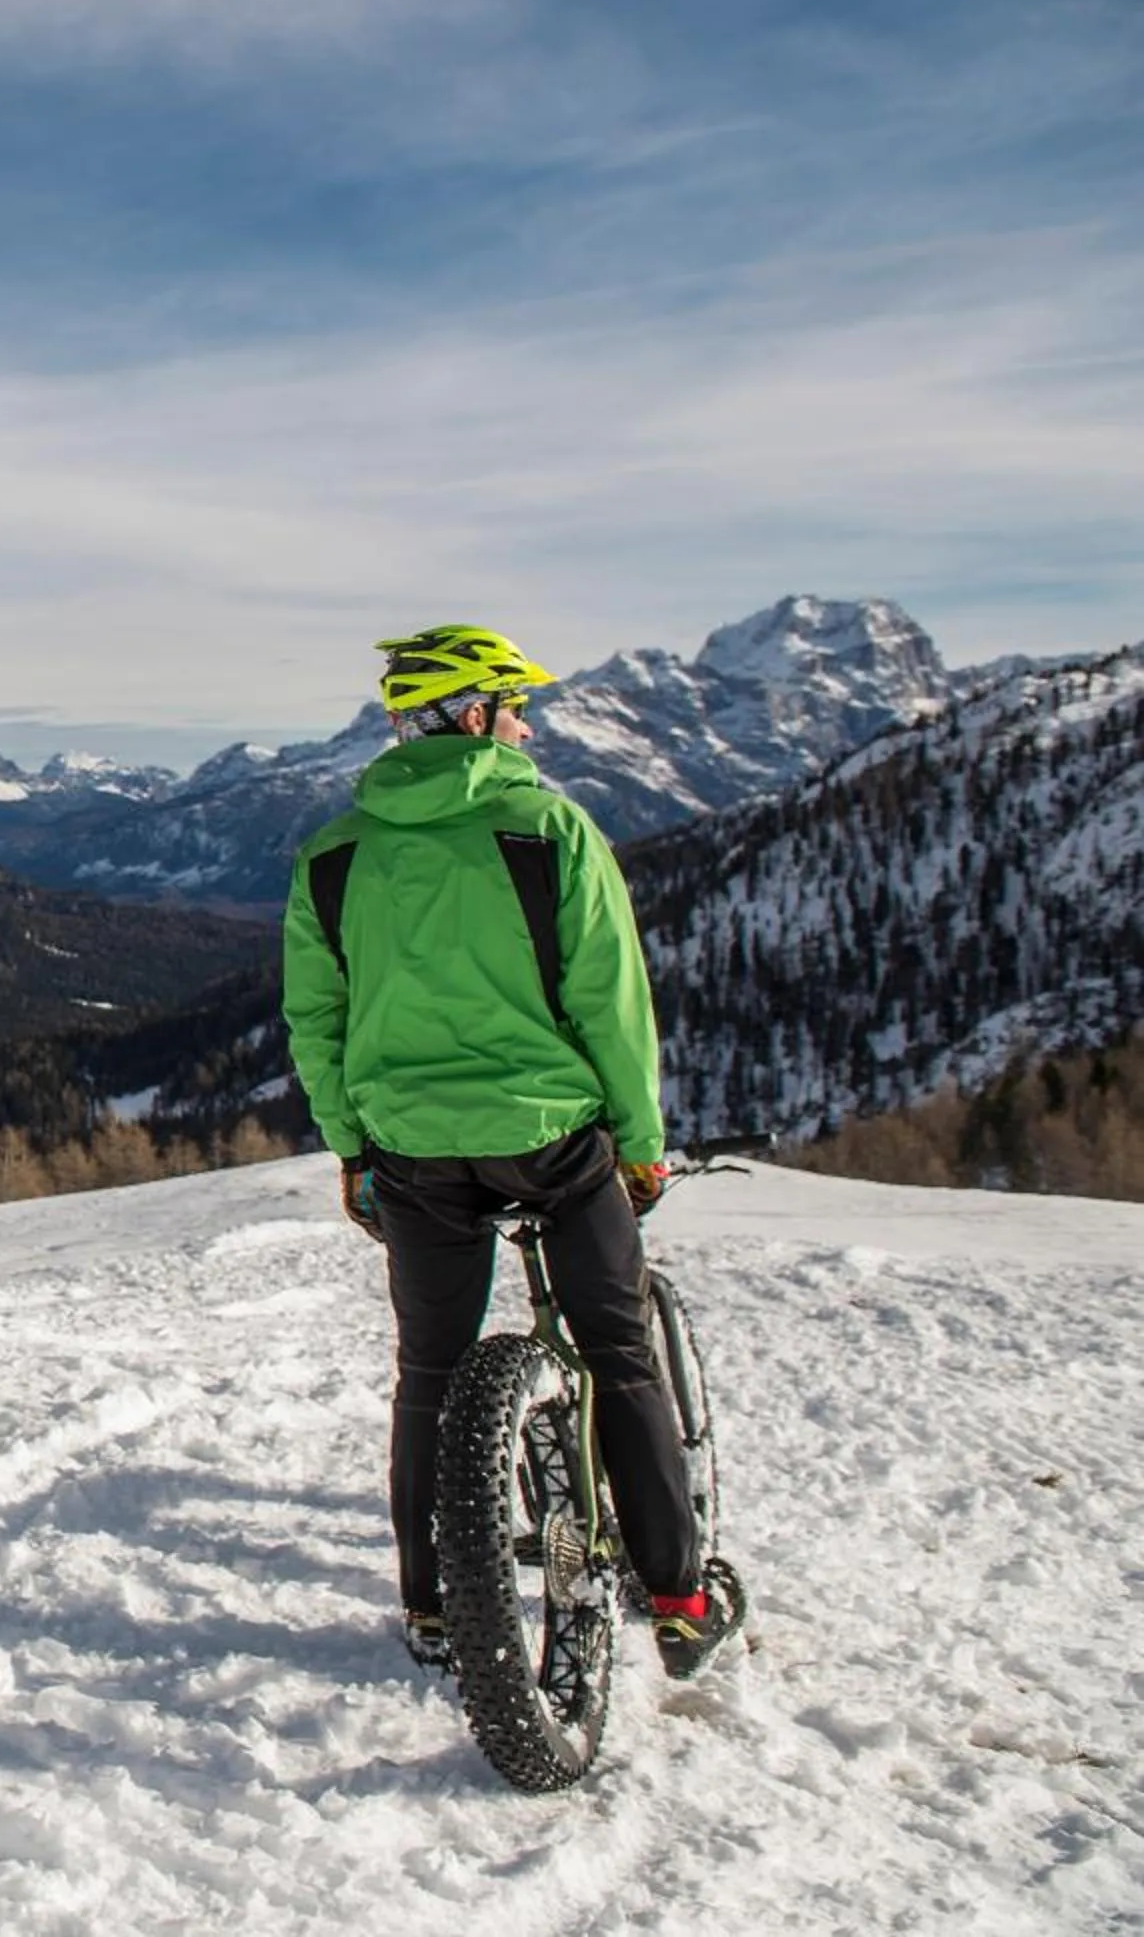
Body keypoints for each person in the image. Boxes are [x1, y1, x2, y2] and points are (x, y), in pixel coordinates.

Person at [280, 623, 746, 1681]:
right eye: (514, 702)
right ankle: (677, 1596)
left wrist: (352, 1148)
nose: (528, 720)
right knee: (618, 1354)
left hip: (410, 1152)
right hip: (552, 1141)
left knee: (431, 1373)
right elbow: (612, 1006)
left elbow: (319, 1023)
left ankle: (436, 1609)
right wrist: (639, 1146)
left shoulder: (335, 854)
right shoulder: (549, 828)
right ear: (475, 715)